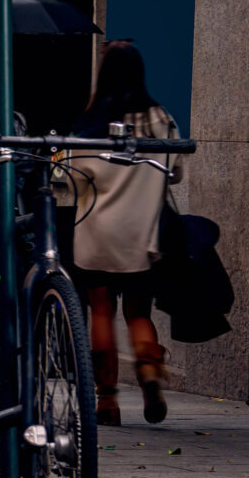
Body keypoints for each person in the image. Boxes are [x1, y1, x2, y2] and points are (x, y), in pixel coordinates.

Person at [65, 40, 183, 425]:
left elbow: (68, 184)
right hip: (142, 235)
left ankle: (107, 399)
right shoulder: (161, 119)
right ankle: (148, 368)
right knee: (137, 313)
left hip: (97, 233)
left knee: (100, 309)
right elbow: (176, 171)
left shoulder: (89, 123)